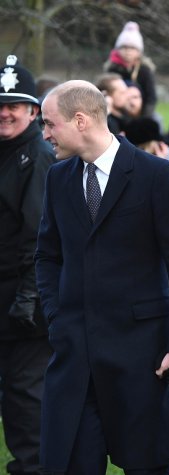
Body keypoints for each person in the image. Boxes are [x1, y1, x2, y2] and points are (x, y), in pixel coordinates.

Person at [36, 80, 169, 474]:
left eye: (49, 124)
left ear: (79, 120)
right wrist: (58, 318)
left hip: (141, 355)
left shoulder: (156, 175)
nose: (44, 134)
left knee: (147, 466)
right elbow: (47, 256)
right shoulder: (58, 178)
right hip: (75, 354)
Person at [0, 54, 55, 475]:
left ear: (33, 110)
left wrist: (29, 297)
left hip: (23, 296)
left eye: (13, 105)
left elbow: (40, 234)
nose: (4, 112)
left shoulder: (36, 157)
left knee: (24, 396)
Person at [104, 21, 157, 117]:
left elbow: (151, 98)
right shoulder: (112, 69)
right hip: (117, 112)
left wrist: (145, 117)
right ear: (118, 49)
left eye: (132, 48)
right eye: (124, 47)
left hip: (141, 112)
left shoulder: (144, 70)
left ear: (139, 51)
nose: (128, 51)